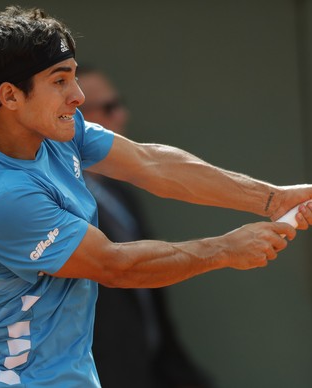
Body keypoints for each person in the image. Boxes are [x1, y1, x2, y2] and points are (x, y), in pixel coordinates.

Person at [0, 6, 312, 388]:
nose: (78, 96)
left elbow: (150, 164)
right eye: (59, 81)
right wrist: (226, 249)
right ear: (10, 96)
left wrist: (271, 199)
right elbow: (116, 265)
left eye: (73, 77)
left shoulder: (23, 119)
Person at [77, 65, 212, 387]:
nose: (121, 116)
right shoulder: (52, 200)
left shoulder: (119, 193)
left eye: (119, 103)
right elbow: (116, 267)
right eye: (108, 108)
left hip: (152, 368)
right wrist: (228, 249)